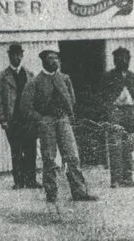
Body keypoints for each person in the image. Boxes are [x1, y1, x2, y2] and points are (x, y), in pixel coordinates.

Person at [20, 49, 98, 204]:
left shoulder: (65, 79)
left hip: (63, 120)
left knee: (72, 156)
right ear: (43, 61)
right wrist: (40, 119)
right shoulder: (34, 82)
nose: (54, 61)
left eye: (56, 58)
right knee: (49, 158)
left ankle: (79, 191)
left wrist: (67, 115)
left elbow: (72, 100)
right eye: (50, 58)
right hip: (46, 122)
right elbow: (25, 107)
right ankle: (51, 193)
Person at [0, 43, 41, 189]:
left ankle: (31, 180)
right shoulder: (2, 77)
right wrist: (3, 120)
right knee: (17, 151)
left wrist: (36, 118)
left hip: (29, 120)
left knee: (31, 151)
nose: (16, 57)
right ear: (9, 56)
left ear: (22, 56)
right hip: (13, 121)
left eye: (19, 54)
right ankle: (18, 181)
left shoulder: (30, 75)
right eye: (13, 55)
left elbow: (36, 98)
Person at [99, 47, 134, 187]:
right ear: (114, 60)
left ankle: (127, 178)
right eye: (119, 58)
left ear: (129, 60)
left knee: (128, 147)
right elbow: (100, 97)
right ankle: (115, 180)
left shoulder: (133, 77)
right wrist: (108, 112)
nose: (122, 61)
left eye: (125, 58)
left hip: (131, 114)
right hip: (115, 113)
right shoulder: (108, 77)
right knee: (115, 147)